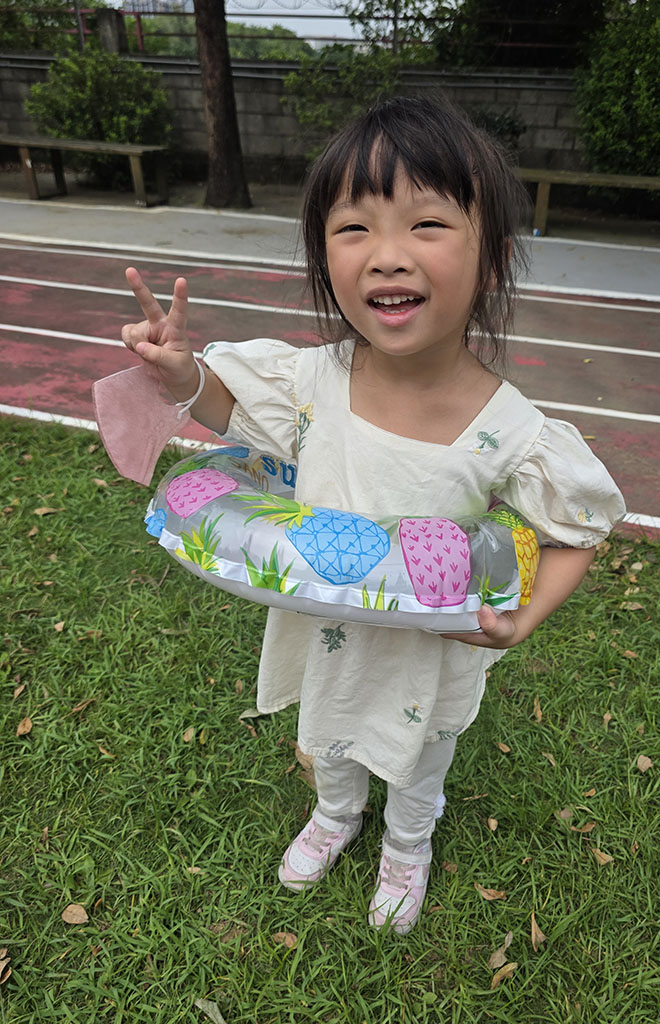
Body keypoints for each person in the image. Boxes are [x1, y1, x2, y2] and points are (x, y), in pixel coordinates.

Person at [120, 97, 625, 935]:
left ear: (491, 260)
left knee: (420, 760)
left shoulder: (514, 432)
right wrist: (182, 376)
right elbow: (225, 407)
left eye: (427, 224)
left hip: (431, 648)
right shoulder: (310, 384)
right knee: (329, 734)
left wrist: (524, 619)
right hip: (329, 625)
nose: (388, 255)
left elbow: (578, 530)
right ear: (325, 259)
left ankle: (407, 844)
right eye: (354, 228)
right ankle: (335, 815)